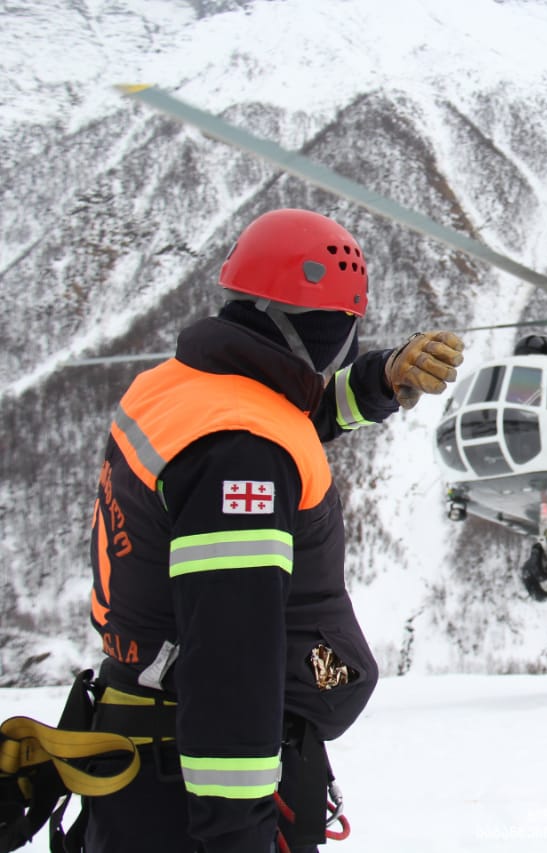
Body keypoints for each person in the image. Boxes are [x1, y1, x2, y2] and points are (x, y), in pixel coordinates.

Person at [82, 208, 463, 852]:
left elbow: (285, 415)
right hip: (191, 790)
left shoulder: (184, 387)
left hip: (143, 755)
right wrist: (237, 834)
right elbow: (233, 661)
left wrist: (378, 379)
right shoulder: (242, 453)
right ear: (331, 330)